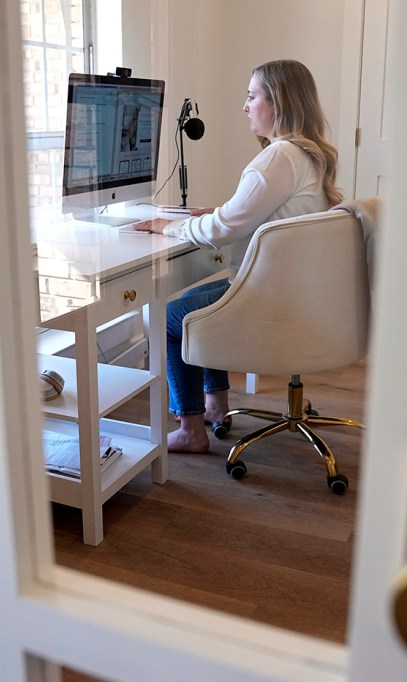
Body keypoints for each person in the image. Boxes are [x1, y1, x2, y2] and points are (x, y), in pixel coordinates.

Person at [132, 59, 342, 453]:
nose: (245, 106)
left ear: (277, 102)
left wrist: (170, 226)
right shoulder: (306, 156)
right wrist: (218, 211)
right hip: (299, 296)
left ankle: (190, 429)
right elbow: (259, 213)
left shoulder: (278, 158)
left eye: (251, 96)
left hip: (271, 300)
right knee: (202, 303)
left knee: (169, 315)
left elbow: (224, 230)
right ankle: (215, 404)